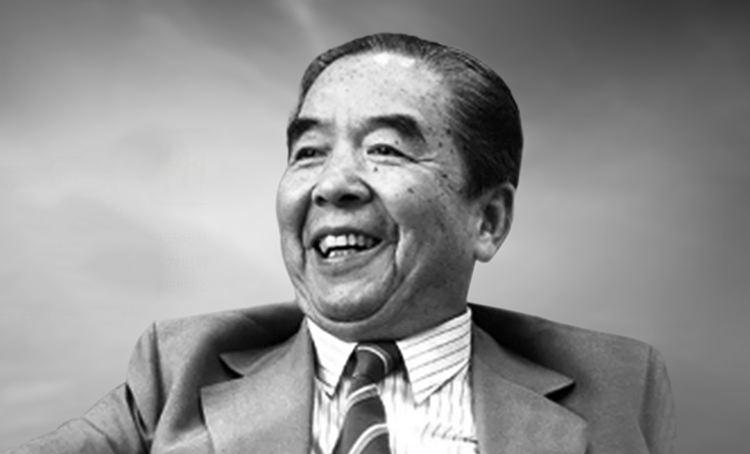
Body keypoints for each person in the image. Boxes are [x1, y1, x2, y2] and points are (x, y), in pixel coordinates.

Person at [8, 33, 675, 454]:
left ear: (488, 220)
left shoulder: (620, 388)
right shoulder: (180, 372)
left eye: (385, 149)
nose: (333, 184)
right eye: (309, 151)